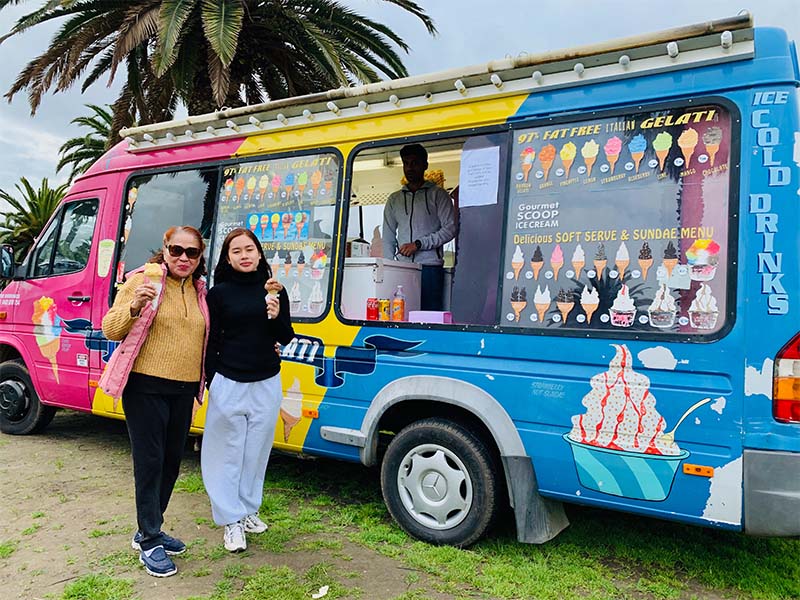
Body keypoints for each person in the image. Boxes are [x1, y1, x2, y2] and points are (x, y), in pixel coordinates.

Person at [100, 226, 209, 578]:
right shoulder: (141, 281)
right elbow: (109, 328)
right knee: (149, 461)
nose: (183, 258)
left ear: (199, 257)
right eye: (177, 250)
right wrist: (134, 305)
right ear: (165, 249)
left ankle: (151, 525)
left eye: (191, 253)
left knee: (172, 462)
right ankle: (149, 541)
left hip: (183, 388)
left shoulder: (199, 290)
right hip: (145, 386)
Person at [202, 227, 295, 552]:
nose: (244, 255)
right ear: (228, 258)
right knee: (227, 453)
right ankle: (230, 521)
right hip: (229, 381)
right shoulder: (219, 293)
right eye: (236, 251)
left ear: (259, 253)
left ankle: (248, 510)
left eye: (249, 249)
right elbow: (212, 341)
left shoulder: (274, 290)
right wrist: (213, 379)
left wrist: (275, 314)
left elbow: (285, 336)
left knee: (256, 452)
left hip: (267, 382)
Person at [382, 143, 456, 311]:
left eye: (414, 163)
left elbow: (450, 228)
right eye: (406, 163)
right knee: (401, 315)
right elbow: (388, 236)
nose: (409, 168)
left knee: (430, 317)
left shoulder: (438, 194)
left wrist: (419, 244)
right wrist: (389, 267)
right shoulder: (394, 199)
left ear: (425, 165)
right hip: (402, 269)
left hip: (430, 268)